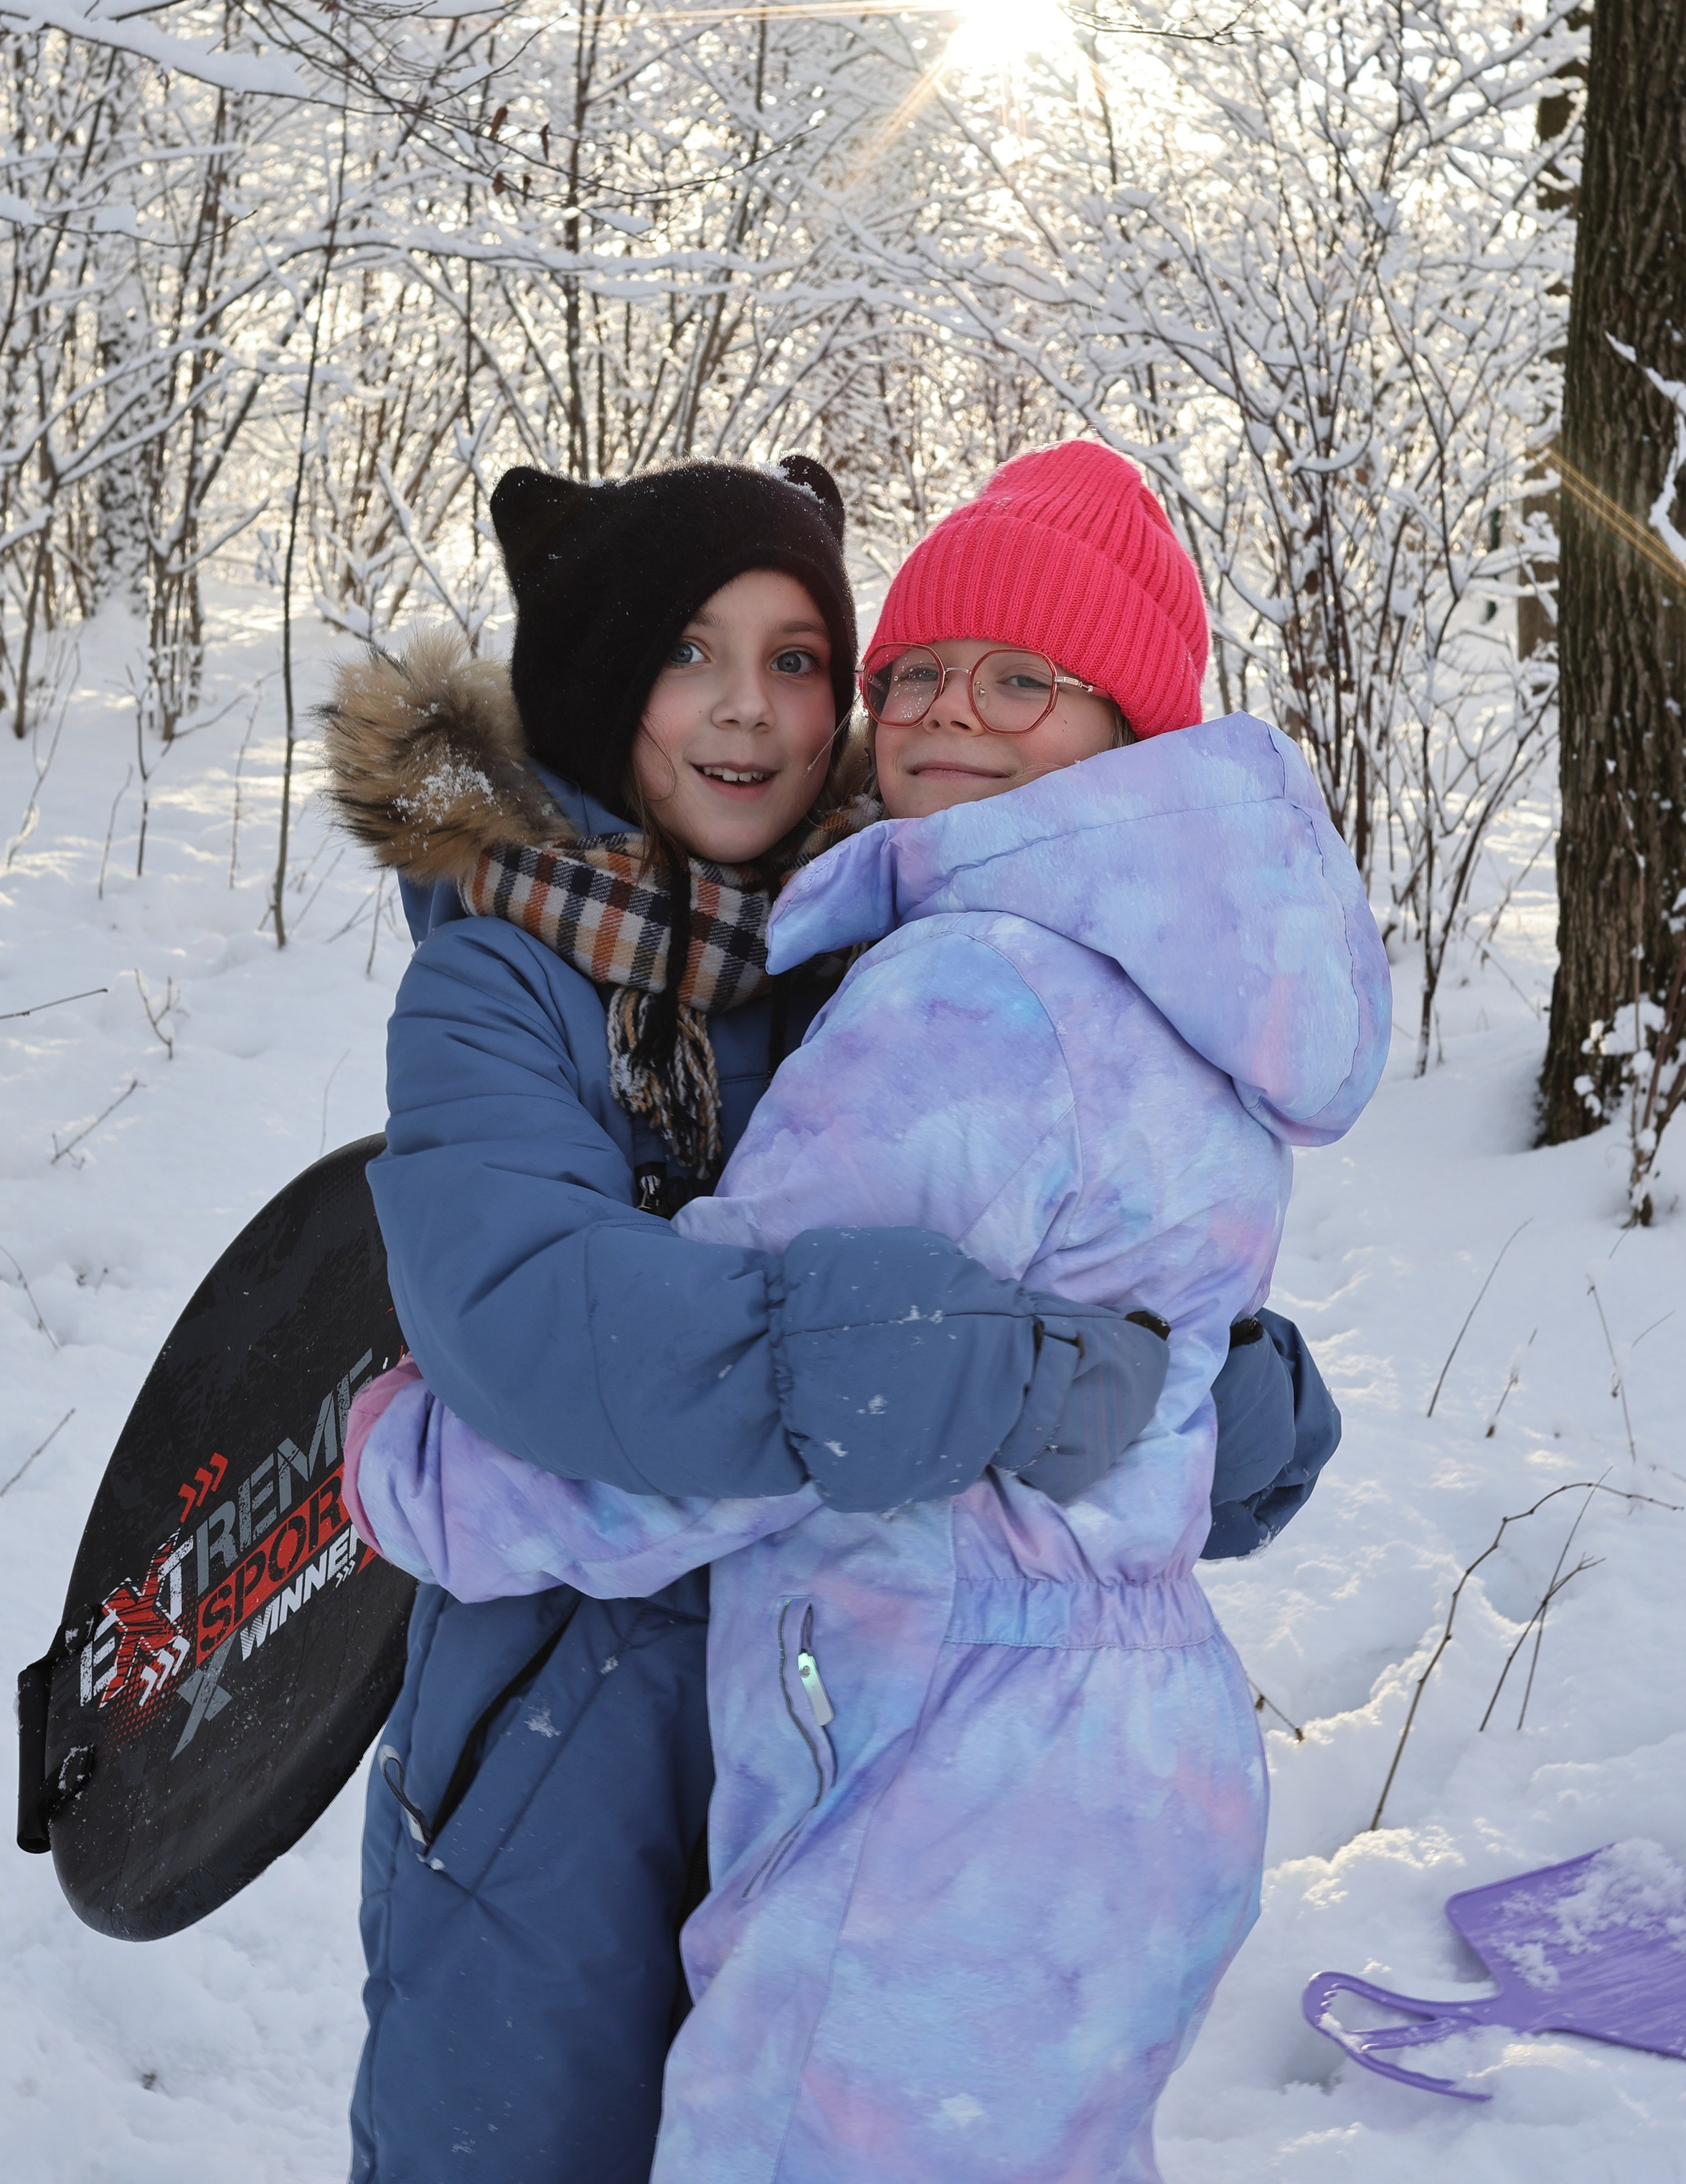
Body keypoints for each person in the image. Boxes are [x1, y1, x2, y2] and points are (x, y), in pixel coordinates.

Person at [349, 441, 1393, 2183]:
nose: (748, 713)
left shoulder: (901, 936)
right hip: (570, 1726)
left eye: (801, 661)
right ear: (603, 682)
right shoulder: (503, 982)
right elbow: (529, 1320)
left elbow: (1089, 1285)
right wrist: (1017, 1380)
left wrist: (1200, 1396)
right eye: (686, 653)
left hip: (851, 1716)